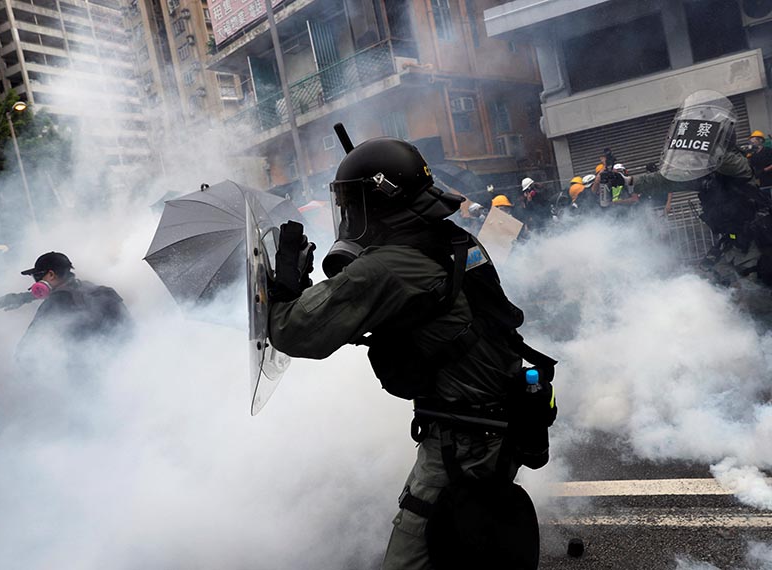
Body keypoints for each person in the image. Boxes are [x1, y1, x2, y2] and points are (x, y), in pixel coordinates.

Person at [267, 135, 557, 569]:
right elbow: (427, 315)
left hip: (466, 437)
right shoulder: (450, 239)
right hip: (501, 420)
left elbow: (293, 331)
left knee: (413, 557)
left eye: (353, 200)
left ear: (378, 200)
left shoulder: (389, 267)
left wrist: (288, 281)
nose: (348, 212)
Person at [625, 91, 772, 295]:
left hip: (757, 243)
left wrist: (698, 141)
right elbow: (665, 180)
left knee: (760, 297)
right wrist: (628, 181)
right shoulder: (703, 175)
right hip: (731, 243)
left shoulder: (737, 163)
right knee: (713, 293)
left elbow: (720, 160)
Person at [8, 252, 133, 381]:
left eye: (38, 277)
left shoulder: (55, 304)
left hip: (86, 379)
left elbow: (26, 351)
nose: (36, 282)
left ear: (51, 275)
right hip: (124, 372)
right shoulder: (103, 292)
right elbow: (130, 330)